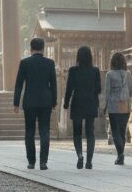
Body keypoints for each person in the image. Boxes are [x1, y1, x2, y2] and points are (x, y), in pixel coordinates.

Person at [13, 38, 58, 170]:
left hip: (30, 101)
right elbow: (53, 84)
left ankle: (31, 161)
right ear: (43, 48)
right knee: (45, 131)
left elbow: (19, 84)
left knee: (29, 132)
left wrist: (16, 103)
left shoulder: (25, 62)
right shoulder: (50, 63)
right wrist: (54, 101)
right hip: (46, 101)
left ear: (31, 48)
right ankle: (43, 162)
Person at [64, 45, 102, 169]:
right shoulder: (95, 71)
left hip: (77, 102)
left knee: (77, 132)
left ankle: (80, 155)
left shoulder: (73, 70)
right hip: (90, 102)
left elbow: (69, 88)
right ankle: (89, 161)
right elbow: (98, 89)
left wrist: (66, 103)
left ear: (78, 57)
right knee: (90, 132)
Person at [105, 52, 132, 164]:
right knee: (122, 131)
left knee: (115, 131)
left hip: (113, 106)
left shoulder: (109, 74)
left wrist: (105, 106)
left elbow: (107, 92)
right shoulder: (128, 74)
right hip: (126, 106)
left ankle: (120, 155)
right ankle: (120, 154)